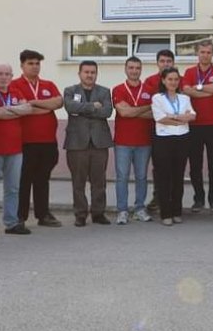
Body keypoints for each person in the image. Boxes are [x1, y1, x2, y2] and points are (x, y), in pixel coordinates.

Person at [10, 49, 64, 228]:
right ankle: (20, 216)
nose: (34, 67)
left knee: (43, 179)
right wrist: (44, 107)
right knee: (24, 180)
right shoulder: (14, 85)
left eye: (37, 63)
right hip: (25, 142)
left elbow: (58, 102)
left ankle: (43, 214)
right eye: (30, 63)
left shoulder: (48, 84)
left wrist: (32, 102)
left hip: (48, 141)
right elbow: (22, 108)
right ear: (22, 65)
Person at [0, 63, 32, 238]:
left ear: (12, 76)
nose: (4, 77)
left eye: (7, 74)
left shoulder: (16, 92)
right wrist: (15, 111)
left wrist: (4, 110)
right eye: (0, 74)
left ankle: (11, 223)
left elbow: (28, 109)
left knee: (13, 188)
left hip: (15, 149)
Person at [63, 60, 114, 227]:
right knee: (78, 181)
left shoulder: (104, 91)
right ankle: (80, 214)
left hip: (99, 143)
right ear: (79, 73)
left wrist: (82, 109)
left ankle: (98, 213)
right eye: (86, 72)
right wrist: (93, 107)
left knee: (99, 181)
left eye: (93, 72)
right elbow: (70, 107)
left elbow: (107, 111)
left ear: (96, 74)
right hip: (77, 143)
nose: (89, 75)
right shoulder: (70, 91)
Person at [181, 40, 213, 213]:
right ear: (197, 54)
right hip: (194, 125)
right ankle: (198, 199)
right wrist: (205, 89)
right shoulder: (189, 72)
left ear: (212, 54)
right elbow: (186, 90)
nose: (205, 55)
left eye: (208, 52)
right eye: (202, 52)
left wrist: (198, 87)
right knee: (195, 165)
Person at [151, 67, 195, 226]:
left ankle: (177, 211)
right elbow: (161, 118)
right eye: (170, 79)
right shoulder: (158, 98)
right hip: (164, 139)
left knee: (178, 176)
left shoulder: (184, 98)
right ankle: (166, 213)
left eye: (176, 79)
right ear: (163, 80)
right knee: (164, 177)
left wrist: (174, 117)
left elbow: (192, 116)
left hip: (182, 139)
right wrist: (180, 118)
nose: (173, 82)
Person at [112, 56, 154, 224]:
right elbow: (124, 113)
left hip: (144, 141)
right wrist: (144, 108)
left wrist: (132, 110)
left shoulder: (150, 89)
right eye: (131, 67)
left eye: (137, 68)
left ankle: (139, 208)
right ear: (125, 69)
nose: (134, 71)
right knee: (122, 177)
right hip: (123, 141)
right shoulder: (118, 89)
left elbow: (154, 113)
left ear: (141, 69)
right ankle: (122, 210)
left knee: (142, 176)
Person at [142, 49, 175, 216]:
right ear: (157, 63)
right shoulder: (149, 81)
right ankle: (158, 197)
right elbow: (149, 106)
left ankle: (173, 199)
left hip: (177, 132)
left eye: (169, 61)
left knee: (175, 167)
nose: (166, 64)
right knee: (159, 167)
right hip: (157, 131)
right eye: (162, 61)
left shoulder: (178, 80)